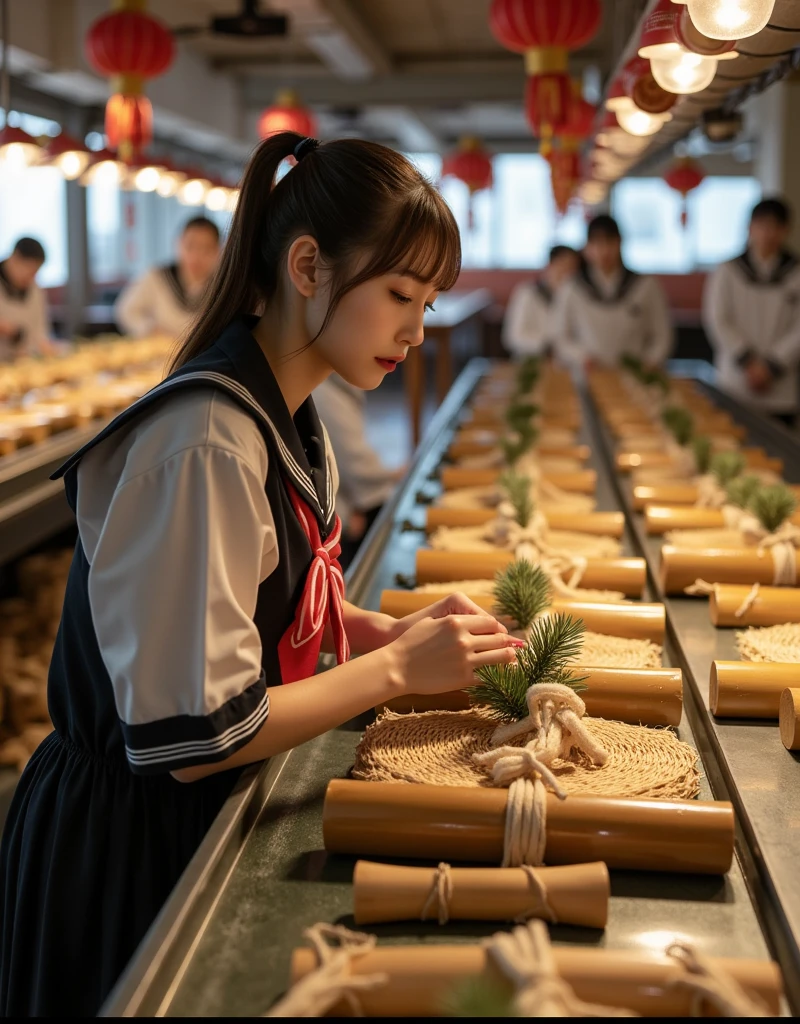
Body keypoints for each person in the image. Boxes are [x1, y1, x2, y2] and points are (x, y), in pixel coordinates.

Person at [0, 133, 521, 1017]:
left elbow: (264, 586)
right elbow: (202, 735)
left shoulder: (290, 406)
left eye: (428, 303)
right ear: (308, 265)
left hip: (181, 821)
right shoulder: (207, 439)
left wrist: (371, 630)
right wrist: (392, 672)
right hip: (132, 845)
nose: (415, 328)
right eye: (399, 294)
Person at [703, 197, 800, 426]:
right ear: (749, 227)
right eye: (762, 225)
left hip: (780, 385)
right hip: (736, 382)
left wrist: (771, 365)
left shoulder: (795, 272)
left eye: (775, 227)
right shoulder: (728, 270)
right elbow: (718, 319)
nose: (768, 234)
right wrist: (747, 361)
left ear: (786, 230)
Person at [553, 214, 672, 370]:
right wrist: (581, 356)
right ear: (587, 248)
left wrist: (650, 361)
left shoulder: (645, 285)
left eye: (609, 242)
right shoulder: (573, 287)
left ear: (620, 243)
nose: (604, 251)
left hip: (635, 377)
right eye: (597, 243)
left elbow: (662, 336)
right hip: (588, 374)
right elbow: (561, 337)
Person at [312, 373, 405, 567]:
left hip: (340, 501)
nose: (416, 340)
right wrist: (344, 515)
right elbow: (356, 465)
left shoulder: (333, 386)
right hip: (332, 517)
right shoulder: (322, 394)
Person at [115, 216, 222, 338]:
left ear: (218, 250)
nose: (196, 256)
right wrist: (149, 328)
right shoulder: (158, 277)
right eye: (190, 246)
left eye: (206, 249)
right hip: (160, 352)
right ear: (178, 244)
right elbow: (125, 311)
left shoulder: (221, 286)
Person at [502, 244, 580, 358]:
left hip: (563, 365)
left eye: (572, 268)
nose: (567, 273)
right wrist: (547, 346)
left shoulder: (575, 298)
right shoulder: (527, 293)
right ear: (549, 265)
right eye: (563, 265)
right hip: (530, 363)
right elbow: (513, 337)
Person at [0, 237, 53, 361]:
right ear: (14, 258)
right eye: (28, 270)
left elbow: (40, 333)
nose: (31, 277)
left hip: (23, 363)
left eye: (35, 272)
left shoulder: (35, 289)